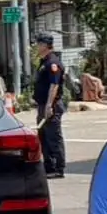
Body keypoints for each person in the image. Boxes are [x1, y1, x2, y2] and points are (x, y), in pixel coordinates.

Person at [32, 32, 67, 179]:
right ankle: (49, 166)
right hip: (43, 104)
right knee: (43, 137)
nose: (36, 46)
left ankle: (59, 168)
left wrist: (49, 105)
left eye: (39, 44)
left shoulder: (53, 63)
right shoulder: (44, 61)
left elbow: (54, 85)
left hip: (51, 105)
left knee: (53, 137)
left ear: (46, 45)